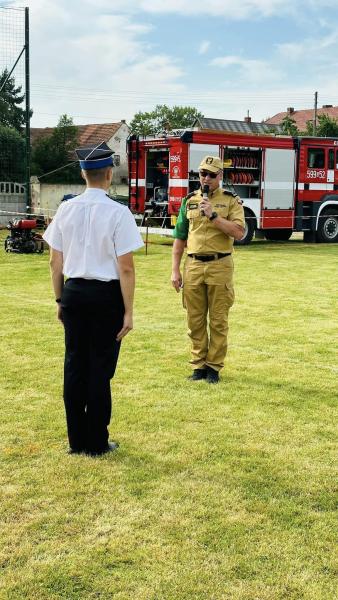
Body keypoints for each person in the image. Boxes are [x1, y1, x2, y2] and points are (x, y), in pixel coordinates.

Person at [43, 141, 144, 455]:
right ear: (109, 173)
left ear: (83, 174)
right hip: (105, 297)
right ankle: (96, 442)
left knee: (75, 366)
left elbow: (54, 262)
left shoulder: (65, 208)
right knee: (100, 368)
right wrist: (129, 312)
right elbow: (125, 268)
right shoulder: (118, 212)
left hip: (73, 293)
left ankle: (77, 442)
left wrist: (60, 300)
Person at [171, 155, 245, 384]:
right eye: (203, 173)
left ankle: (213, 367)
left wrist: (213, 215)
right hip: (193, 265)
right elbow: (180, 237)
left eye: (212, 174)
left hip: (219, 265)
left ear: (220, 176)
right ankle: (198, 366)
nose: (206, 178)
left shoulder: (231, 201)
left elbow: (239, 233)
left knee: (218, 320)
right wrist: (175, 270)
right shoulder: (189, 201)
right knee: (194, 320)